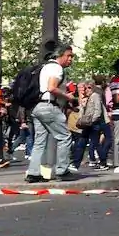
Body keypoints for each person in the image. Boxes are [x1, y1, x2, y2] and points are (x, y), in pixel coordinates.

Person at [25, 45, 76, 184]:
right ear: (60, 55)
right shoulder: (56, 68)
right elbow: (51, 88)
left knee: (39, 141)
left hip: (36, 106)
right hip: (48, 105)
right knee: (65, 137)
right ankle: (62, 170)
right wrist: (68, 97)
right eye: (69, 56)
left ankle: (33, 173)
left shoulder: (45, 66)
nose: (71, 59)